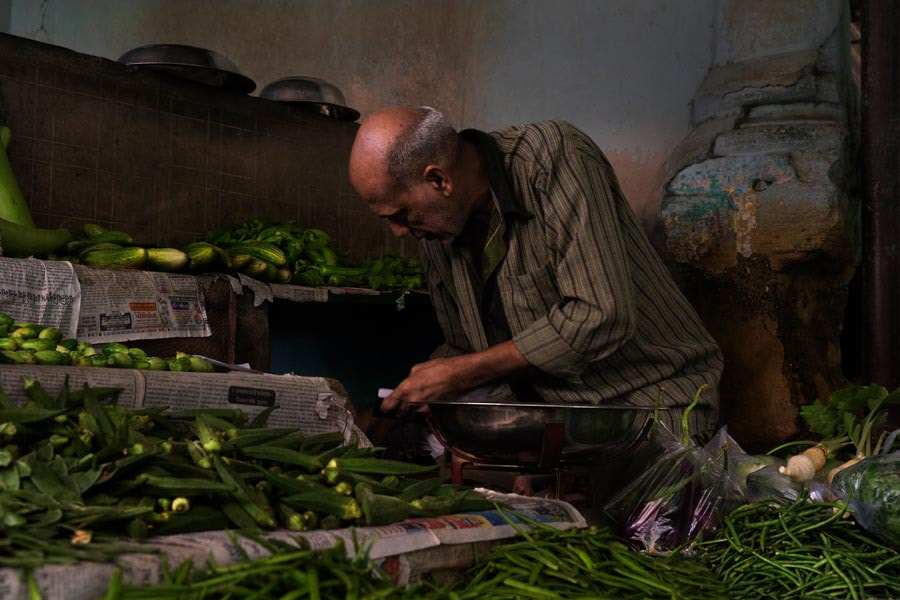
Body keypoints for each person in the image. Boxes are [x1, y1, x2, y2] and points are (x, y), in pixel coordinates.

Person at [348, 106, 723, 439]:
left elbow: (601, 315)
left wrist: (459, 374)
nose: (398, 230)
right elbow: (466, 350)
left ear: (439, 180)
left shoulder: (554, 159)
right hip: (549, 423)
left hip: (645, 409)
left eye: (400, 214)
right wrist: (404, 400)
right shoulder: (436, 232)